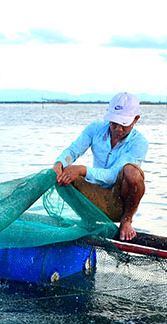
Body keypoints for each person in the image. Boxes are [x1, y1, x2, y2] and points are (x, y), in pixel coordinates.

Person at [52, 92, 147, 241]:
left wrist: (82, 170)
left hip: (118, 203)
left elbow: (112, 175)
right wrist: (59, 163)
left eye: (124, 125)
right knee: (60, 175)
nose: (118, 129)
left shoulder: (139, 142)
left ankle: (127, 221)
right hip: (94, 196)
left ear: (135, 120)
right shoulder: (95, 129)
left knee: (132, 172)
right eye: (114, 123)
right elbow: (73, 150)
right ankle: (88, 220)